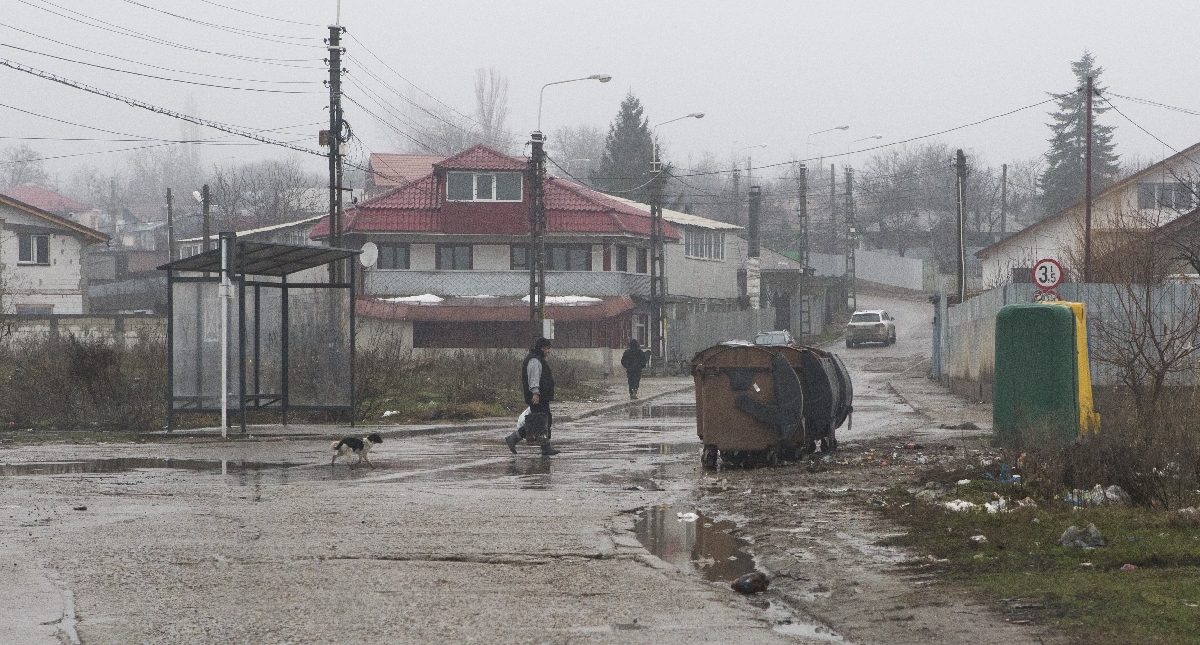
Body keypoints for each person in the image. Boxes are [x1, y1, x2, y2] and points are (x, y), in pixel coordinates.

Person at [506, 337, 560, 455]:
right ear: (541, 348)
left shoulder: (538, 359)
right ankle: (514, 438)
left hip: (542, 397)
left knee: (542, 420)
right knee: (540, 421)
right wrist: (535, 393)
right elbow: (534, 379)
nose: (549, 351)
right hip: (537, 397)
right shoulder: (534, 361)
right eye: (547, 348)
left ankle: (544, 446)